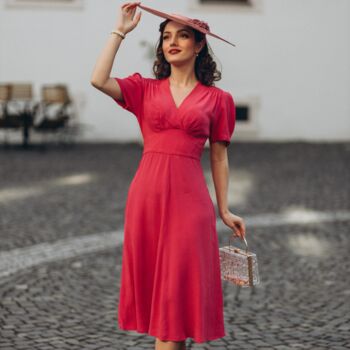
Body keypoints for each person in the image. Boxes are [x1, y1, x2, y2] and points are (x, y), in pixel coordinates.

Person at [90, 2, 246, 350]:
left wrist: (225, 209)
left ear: (199, 45)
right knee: (164, 311)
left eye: (183, 36)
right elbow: (97, 79)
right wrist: (120, 31)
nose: (172, 42)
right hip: (146, 199)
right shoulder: (145, 89)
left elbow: (219, 158)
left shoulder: (219, 100)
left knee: (175, 300)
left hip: (190, 203)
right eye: (167, 36)